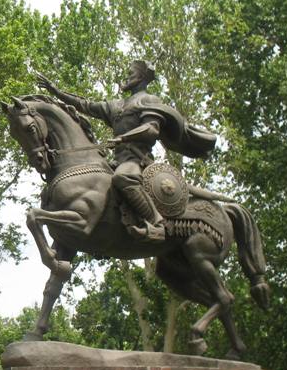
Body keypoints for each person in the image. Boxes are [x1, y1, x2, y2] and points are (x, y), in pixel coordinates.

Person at [36, 60, 216, 241]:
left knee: (122, 178)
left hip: (137, 160)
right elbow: (85, 105)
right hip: (117, 161)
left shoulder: (149, 100)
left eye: (131, 73)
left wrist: (124, 138)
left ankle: (157, 224)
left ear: (142, 78)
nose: (127, 77)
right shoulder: (117, 105)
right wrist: (56, 91)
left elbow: (151, 129)